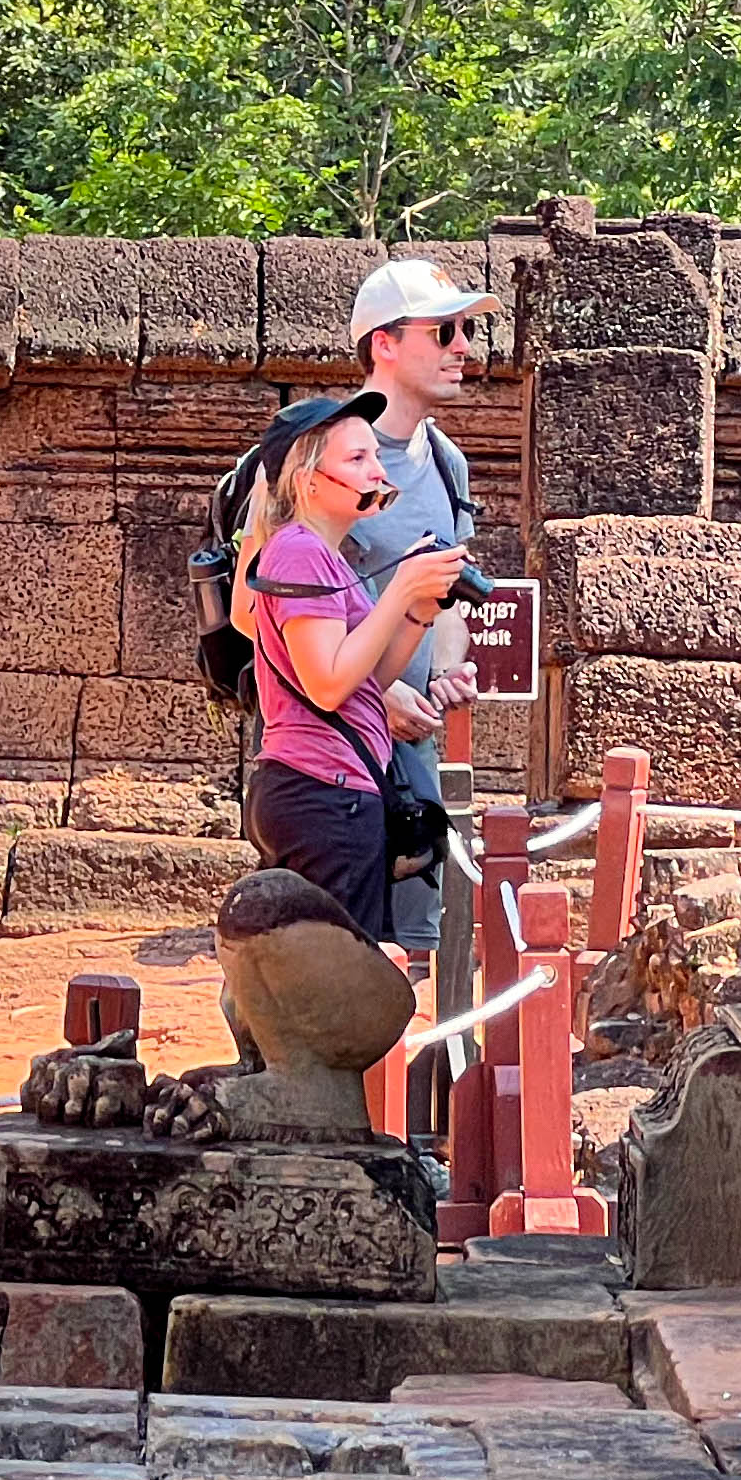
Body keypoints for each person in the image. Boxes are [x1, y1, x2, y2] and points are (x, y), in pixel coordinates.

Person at [232, 390, 462, 941]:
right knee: (337, 978)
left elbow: (366, 681)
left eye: (373, 457)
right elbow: (328, 684)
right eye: (356, 459)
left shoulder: (322, 554)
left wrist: (418, 614)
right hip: (320, 790)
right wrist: (400, 587)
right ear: (310, 480)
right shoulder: (298, 550)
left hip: (335, 788)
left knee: (338, 966)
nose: (377, 471)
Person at [337, 258, 498, 967]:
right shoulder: (324, 454)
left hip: (413, 750)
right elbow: (275, 610)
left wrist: (451, 670)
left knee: (413, 953)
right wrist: (377, 691)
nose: (464, 346)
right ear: (385, 343)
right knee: (332, 954)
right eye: (445, 331)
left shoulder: (447, 462)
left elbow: (451, 591)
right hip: (333, 751)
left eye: (463, 330)